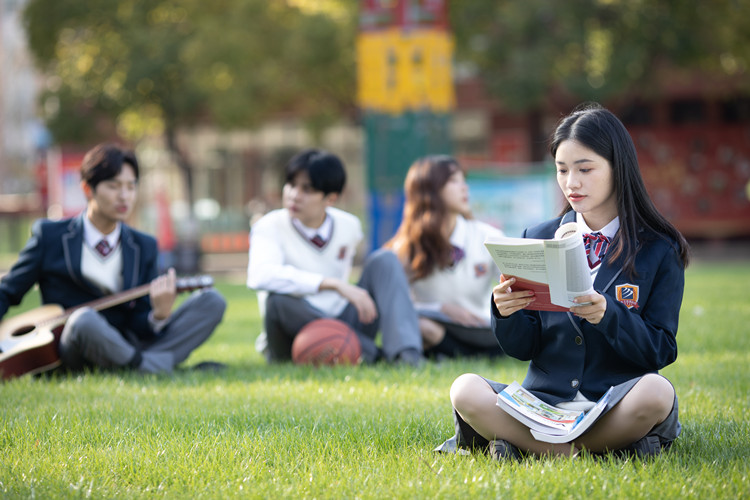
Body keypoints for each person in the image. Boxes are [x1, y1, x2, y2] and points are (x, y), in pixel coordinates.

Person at [438, 104, 690, 460]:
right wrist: (505, 312)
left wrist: (608, 315)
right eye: (562, 170)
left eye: (585, 169)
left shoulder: (658, 248)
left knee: (657, 392)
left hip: (614, 401)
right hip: (543, 404)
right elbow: (522, 348)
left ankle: (532, 449)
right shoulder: (537, 236)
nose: (572, 183)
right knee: (464, 389)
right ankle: (588, 450)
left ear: (619, 168)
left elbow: (661, 349)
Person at [0, 143, 227, 374]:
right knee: (83, 320)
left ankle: (139, 364)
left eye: (131, 186)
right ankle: (150, 366)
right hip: (74, 349)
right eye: (113, 186)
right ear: (88, 189)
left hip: (128, 344)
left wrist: (157, 315)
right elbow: (7, 291)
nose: (124, 196)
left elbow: (139, 322)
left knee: (212, 301)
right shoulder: (50, 237)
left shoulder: (144, 245)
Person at [246, 149, 423, 366]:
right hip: (293, 328)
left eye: (307, 189)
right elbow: (259, 276)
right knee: (278, 300)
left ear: (331, 198)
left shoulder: (349, 226)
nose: (294, 195)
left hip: (343, 319)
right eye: (291, 184)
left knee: (385, 260)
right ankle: (372, 355)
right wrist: (334, 285)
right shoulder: (269, 226)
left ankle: (406, 356)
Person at [385, 155, 505, 359]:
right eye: (453, 181)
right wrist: (441, 309)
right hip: (437, 329)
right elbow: (394, 305)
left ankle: (456, 354)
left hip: (484, 328)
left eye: (463, 180)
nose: (464, 187)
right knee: (422, 327)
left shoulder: (488, 236)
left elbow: (519, 286)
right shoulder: (404, 247)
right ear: (429, 190)